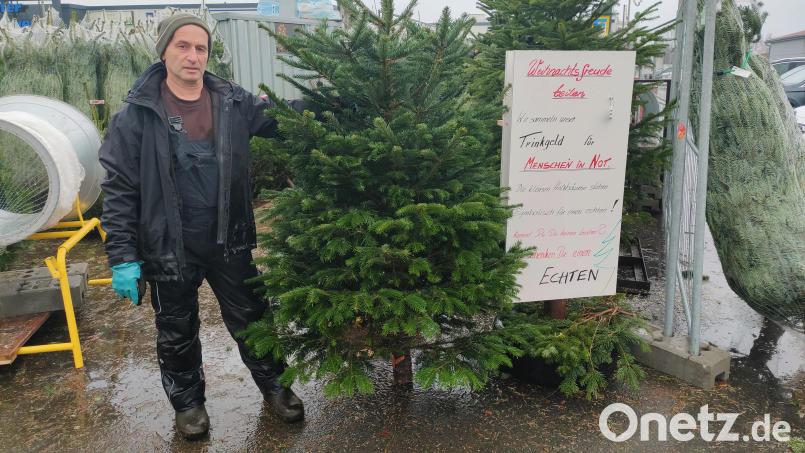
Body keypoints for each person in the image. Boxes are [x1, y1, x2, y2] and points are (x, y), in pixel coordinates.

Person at [99, 13, 303, 440]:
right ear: (164, 50)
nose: (193, 56)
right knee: (176, 330)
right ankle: (188, 403)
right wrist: (122, 257)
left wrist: (339, 109)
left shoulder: (232, 102)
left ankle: (276, 386)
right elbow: (119, 192)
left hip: (228, 240)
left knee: (253, 317)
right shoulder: (136, 117)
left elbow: (283, 118)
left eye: (201, 48)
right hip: (169, 247)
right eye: (183, 46)